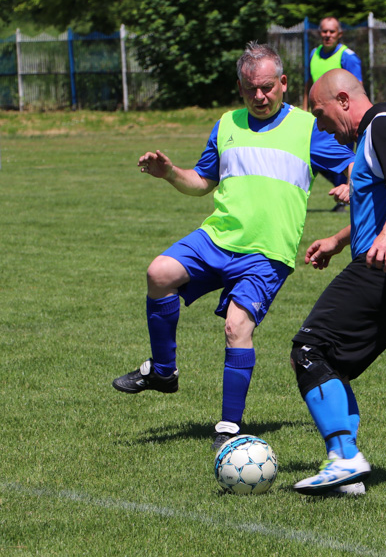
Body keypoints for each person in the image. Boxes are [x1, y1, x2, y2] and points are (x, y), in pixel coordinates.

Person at [111, 42, 355, 451]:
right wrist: (171, 173)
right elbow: (202, 182)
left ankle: (229, 426)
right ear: (240, 88)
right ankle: (164, 372)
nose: (258, 97)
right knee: (159, 273)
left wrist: (349, 181)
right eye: (248, 89)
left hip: (268, 253)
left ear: (283, 83)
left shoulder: (307, 128)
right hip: (219, 238)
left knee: (236, 325)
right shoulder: (227, 125)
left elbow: (354, 169)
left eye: (266, 87)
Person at [289, 68, 386, 496]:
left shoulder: (381, 127)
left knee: (309, 349)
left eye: (320, 114)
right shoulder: (379, 134)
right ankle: (347, 470)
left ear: (344, 102)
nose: (320, 126)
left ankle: (344, 455)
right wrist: (338, 239)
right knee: (332, 362)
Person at [303, 17, 364, 211]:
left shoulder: (348, 57)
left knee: (343, 158)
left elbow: (357, 90)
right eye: (324, 31)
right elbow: (309, 84)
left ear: (340, 34)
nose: (327, 35)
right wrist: (306, 110)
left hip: (341, 120)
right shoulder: (314, 54)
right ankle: (342, 190)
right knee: (312, 155)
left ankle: (351, 196)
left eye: (331, 31)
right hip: (318, 118)